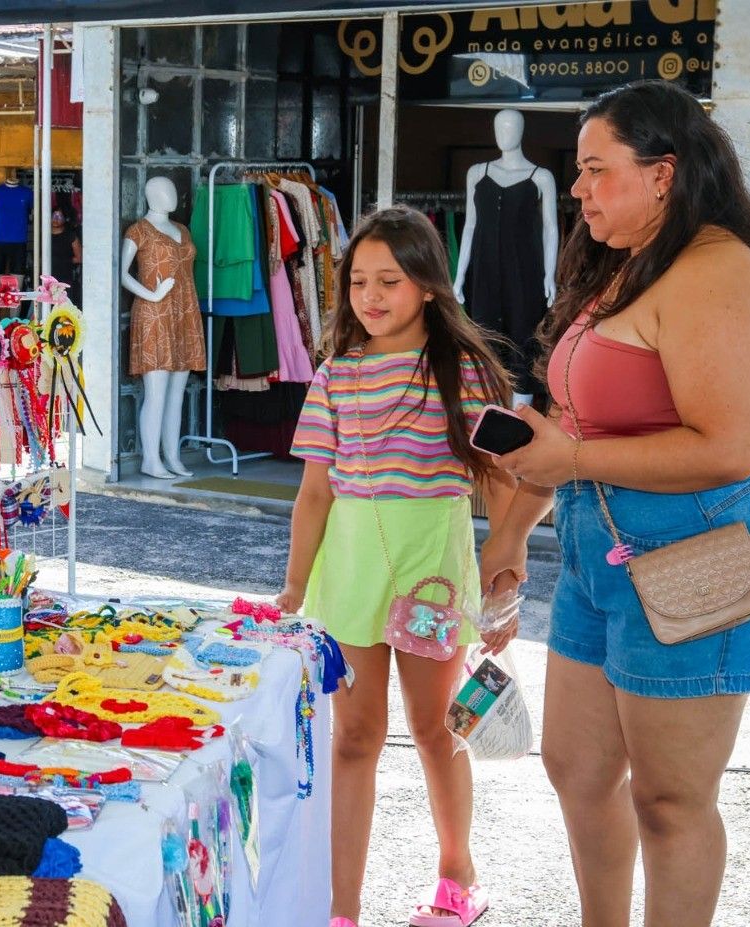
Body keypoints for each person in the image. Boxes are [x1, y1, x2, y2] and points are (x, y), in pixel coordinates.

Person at [481, 80, 750, 927]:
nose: (579, 189)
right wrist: (512, 535)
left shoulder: (712, 272)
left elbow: (726, 447)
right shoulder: (630, 266)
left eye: (596, 170)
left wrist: (572, 458)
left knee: (671, 800)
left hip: (700, 547)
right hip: (606, 546)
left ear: (663, 174)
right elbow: (569, 420)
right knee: (578, 767)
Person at [274, 206, 520, 927]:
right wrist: (294, 584)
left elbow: (501, 480)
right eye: (358, 282)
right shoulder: (336, 376)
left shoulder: (466, 372)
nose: (371, 296)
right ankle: (340, 907)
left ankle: (457, 875)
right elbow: (315, 492)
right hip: (348, 573)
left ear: (429, 287)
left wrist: (506, 577)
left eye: (390, 279)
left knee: (438, 725)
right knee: (352, 737)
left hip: (431, 574)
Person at [50, 208, 81, 306]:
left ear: (65, 219)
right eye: (54, 216)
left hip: (65, 276)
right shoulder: (44, 235)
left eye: (59, 216)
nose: (56, 219)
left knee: (65, 305)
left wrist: (63, 261)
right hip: (48, 277)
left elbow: (79, 258)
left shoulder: (71, 236)